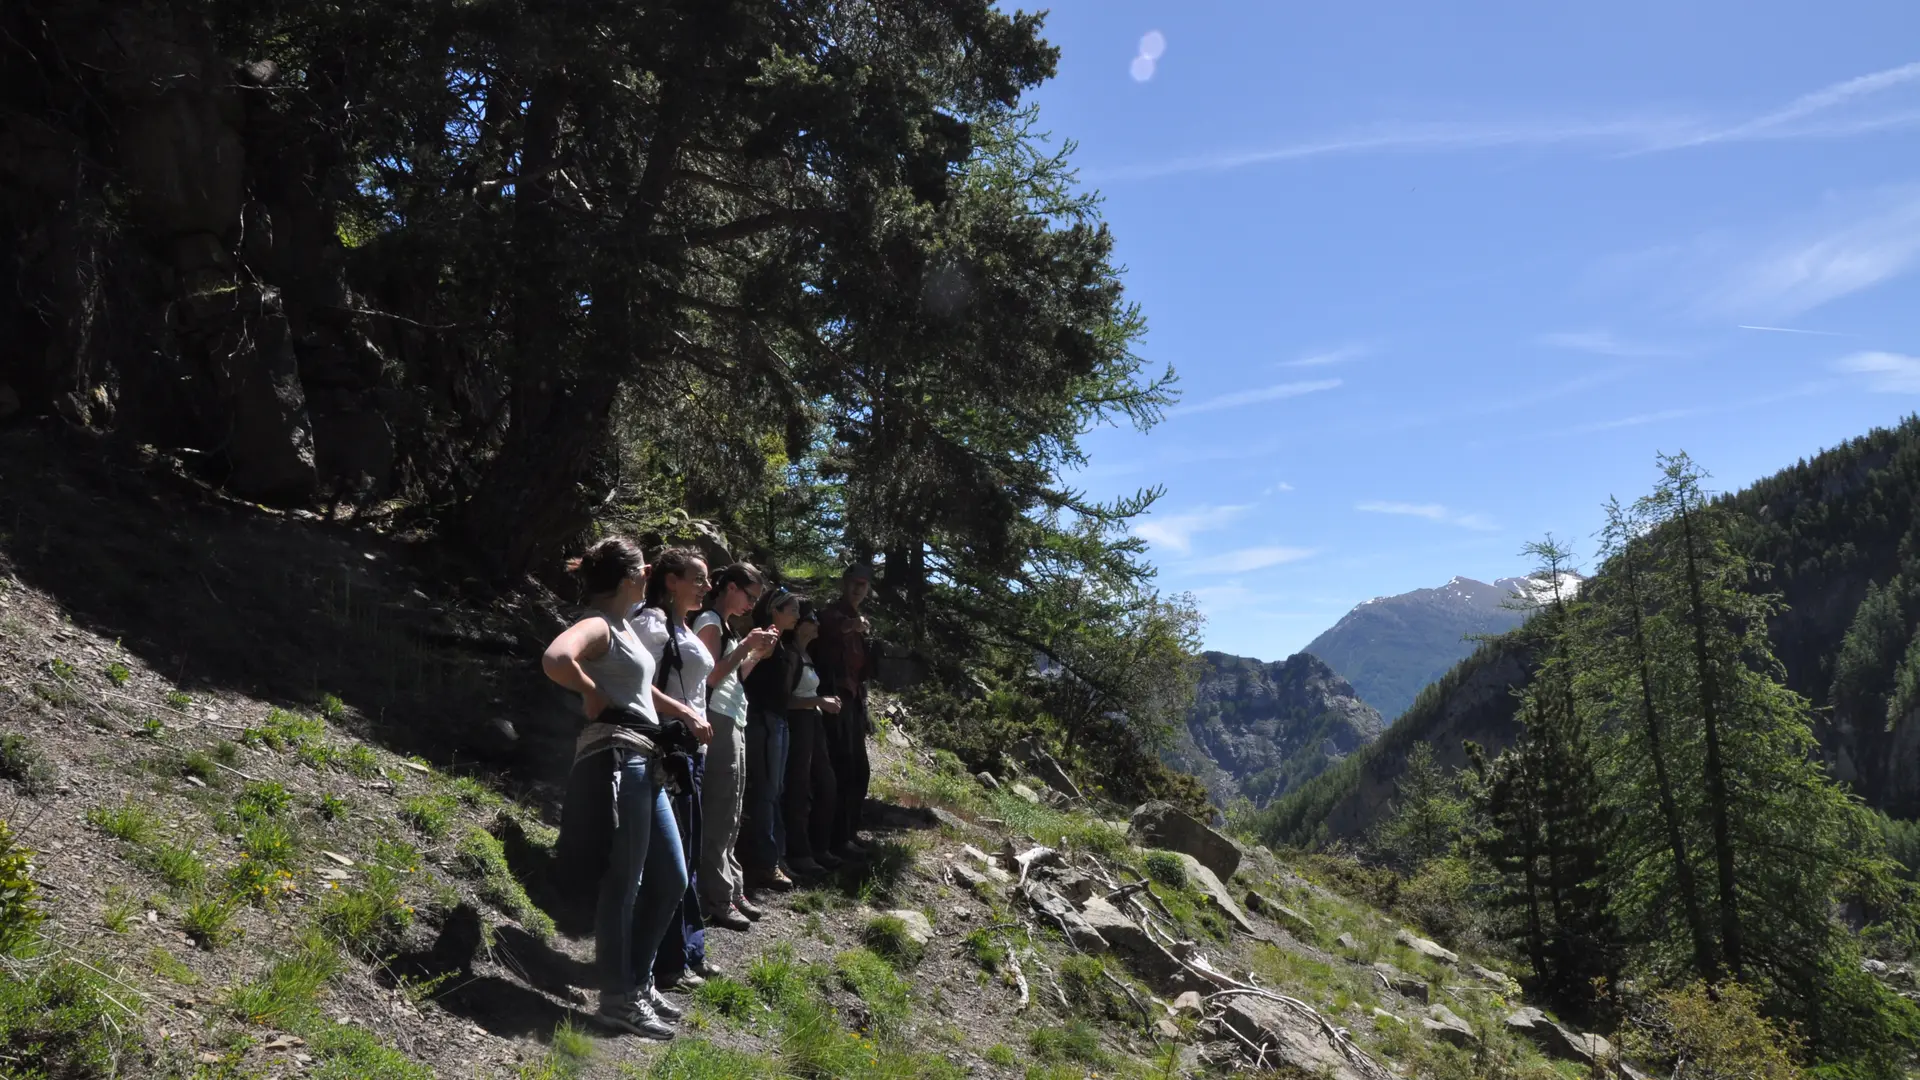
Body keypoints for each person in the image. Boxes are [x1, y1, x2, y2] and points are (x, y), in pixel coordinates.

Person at [543, 538, 708, 1040]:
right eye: (643, 567)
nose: (651, 570)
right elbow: (555, 658)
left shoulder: (625, 628)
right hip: (618, 757)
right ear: (627, 577)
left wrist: (679, 710)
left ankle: (638, 982)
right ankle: (620, 998)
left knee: (673, 877)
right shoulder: (597, 622)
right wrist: (591, 692)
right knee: (626, 883)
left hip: (644, 758)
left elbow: (640, 686)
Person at [692, 563, 781, 931]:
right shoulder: (709, 622)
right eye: (750, 595)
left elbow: (736, 675)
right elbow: (710, 676)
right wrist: (746, 644)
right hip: (717, 715)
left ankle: (731, 887)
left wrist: (757, 653)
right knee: (720, 808)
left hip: (734, 714)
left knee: (733, 807)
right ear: (730, 587)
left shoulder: (726, 624)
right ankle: (715, 896)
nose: (751, 604)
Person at [740, 585, 802, 900]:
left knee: (773, 792)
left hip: (777, 722)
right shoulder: (765, 640)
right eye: (792, 609)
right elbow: (743, 675)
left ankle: (776, 857)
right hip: (763, 721)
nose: (798, 615)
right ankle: (765, 862)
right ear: (776, 610)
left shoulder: (783, 644)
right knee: (765, 793)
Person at [813, 564, 877, 859]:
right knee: (841, 768)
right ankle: (835, 839)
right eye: (854, 584)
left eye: (863, 585)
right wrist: (855, 626)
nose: (857, 590)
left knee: (858, 771)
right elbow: (830, 628)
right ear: (845, 583)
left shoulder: (858, 619)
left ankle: (848, 833)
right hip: (834, 699)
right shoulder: (833, 613)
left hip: (853, 701)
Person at [781, 601, 842, 878]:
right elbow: (784, 700)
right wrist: (819, 701)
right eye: (812, 619)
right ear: (800, 626)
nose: (817, 624)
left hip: (813, 723)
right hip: (798, 725)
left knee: (825, 782)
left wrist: (821, 703)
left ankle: (819, 847)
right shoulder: (791, 655)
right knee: (798, 786)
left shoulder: (807, 655)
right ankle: (799, 852)